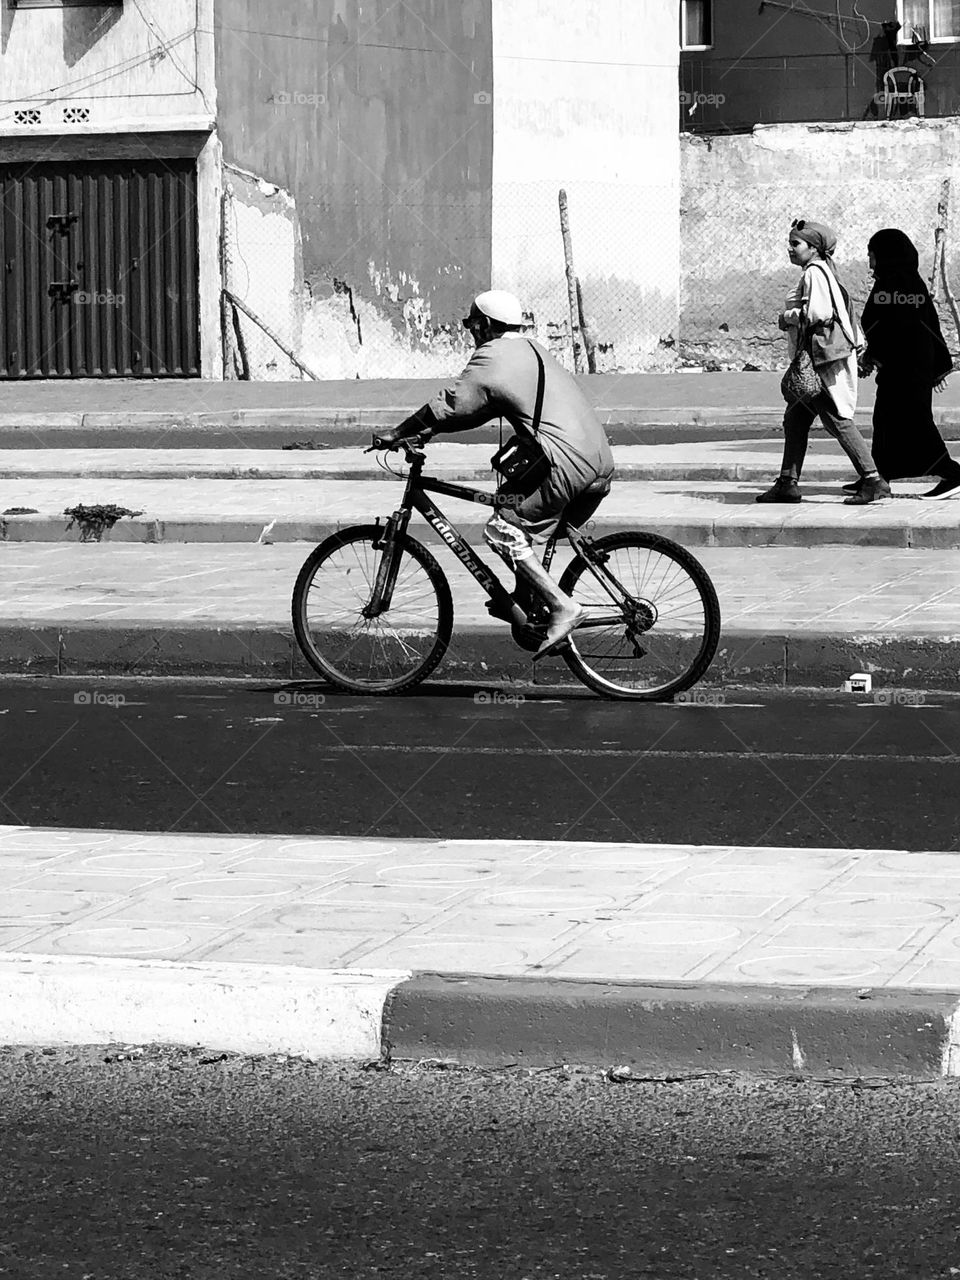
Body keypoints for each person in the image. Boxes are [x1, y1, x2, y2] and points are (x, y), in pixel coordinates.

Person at [382, 290, 615, 659]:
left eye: (472, 325)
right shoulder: (533, 349)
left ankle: (563, 607)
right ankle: (527, 600)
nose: (471, 333)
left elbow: (454, 403)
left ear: (486, 324)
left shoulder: (493, 355)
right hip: (597, 461)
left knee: (501, 527)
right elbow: (479, 409)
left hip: (564, 464)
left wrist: (399, 432)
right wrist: (428, 431)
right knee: (514, 512)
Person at [757, 218, 890, 506]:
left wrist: (786, 318)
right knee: (795, 420)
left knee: (836, 419)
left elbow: (817, 314)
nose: (790, 248)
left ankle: (872, 480)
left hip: (819, 361)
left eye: (796, 244)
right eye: (790, 243)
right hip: (819, 358)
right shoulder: (822, 271)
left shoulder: (814, 273)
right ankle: (787, 483)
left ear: (814, 248)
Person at [857, 227, 960, 501]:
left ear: (886, 256)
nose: (870, 263)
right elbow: (927, 324)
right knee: (886, 421)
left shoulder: (896, 285)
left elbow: (896, 328)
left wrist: (871, 354)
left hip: (906, 370)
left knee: (915, 422)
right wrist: (937, 365)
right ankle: (878, 476)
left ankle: (952, 473)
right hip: (905, 368)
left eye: (872, 255)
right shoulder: (905, 282)